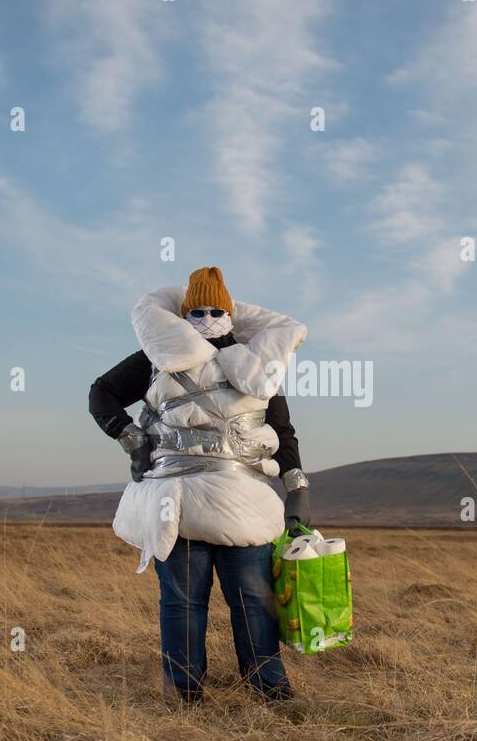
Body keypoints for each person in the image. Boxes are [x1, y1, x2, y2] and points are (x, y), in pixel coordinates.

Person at [89, 266, 311, 703]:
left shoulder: (254, 364)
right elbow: (102, 392)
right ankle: (194, 694)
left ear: (229, 312)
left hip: (230, 501)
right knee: (195, 603)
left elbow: (282, 430)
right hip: (185, 502)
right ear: (184, 313)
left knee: (245, 602)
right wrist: (130, 438)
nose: (207, 318)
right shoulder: (158, 358)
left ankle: (262, 692)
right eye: (197, 310)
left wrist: (298, 487)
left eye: (215, 310)